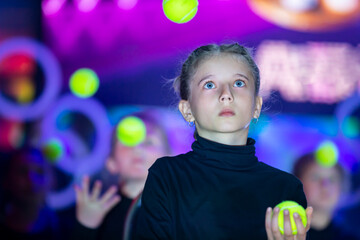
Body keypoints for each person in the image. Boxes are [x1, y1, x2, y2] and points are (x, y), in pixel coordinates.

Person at [134, 43, 313, 240]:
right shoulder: (167, 176)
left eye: (239, 83)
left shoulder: (285, 188)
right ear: (187, 110)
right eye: (209, 85)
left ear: (257, 106)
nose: (226, 95)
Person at [72, 110, 171, 240]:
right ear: (111, 162)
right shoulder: (100, 212)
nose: (138, 148)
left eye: (148, 142)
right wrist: (85, 227)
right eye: (128, 141)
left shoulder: (181, 209)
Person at [0, 146, 61, 240]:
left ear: (53, 181)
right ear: (7, 179)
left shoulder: (64, 231)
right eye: (23, 171)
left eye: (40, 172)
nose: (32, 179)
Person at [293, 153, 358, 240]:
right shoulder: (281, 234)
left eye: (332, 179)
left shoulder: (350, 238)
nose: (325, 186)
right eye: (315, 177)